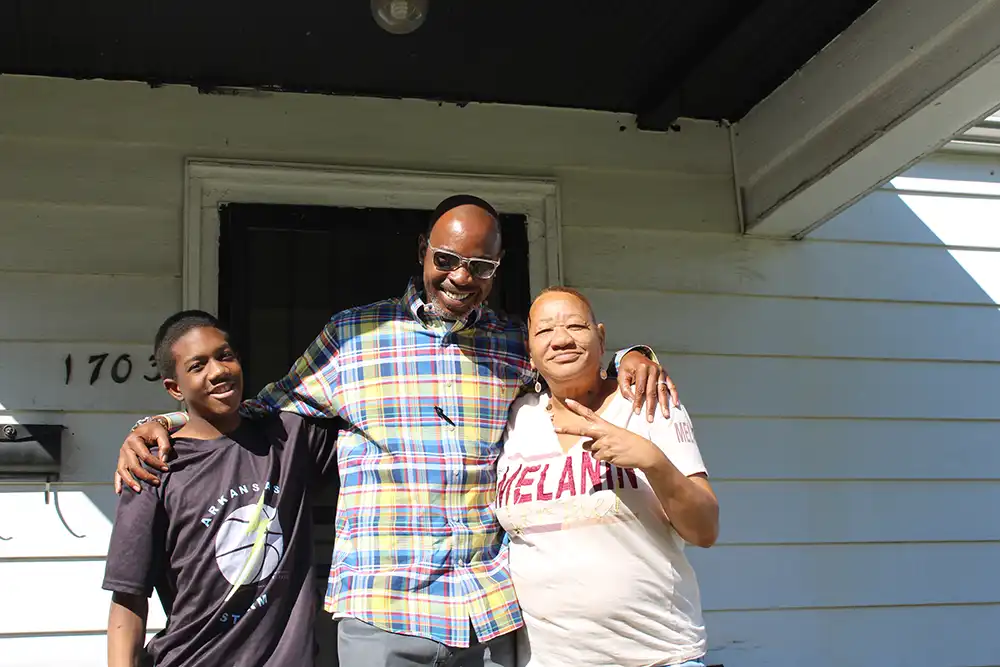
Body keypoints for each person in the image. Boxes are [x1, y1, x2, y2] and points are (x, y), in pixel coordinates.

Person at [114, 195, 680, 667]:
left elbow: (576, 368)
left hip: (489, 612)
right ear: (422, 253)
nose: (461, 277)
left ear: (498, 268)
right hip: (384, 610)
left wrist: (633, 354)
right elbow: (258, 411)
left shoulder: (514, 343)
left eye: (480, 266)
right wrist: (159, 422)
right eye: (446, 258)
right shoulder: (352, 335)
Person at [495, 286, 718, 667]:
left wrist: (653, 462)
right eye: (544, 331)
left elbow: (705, 530)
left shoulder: (647, 404)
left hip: (657, 656)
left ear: (600, 337)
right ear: (529, 351)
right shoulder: (515, 418)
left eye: (576, 326)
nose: (561, 339)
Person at [103, 311, 339, 667]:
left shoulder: (290, 438)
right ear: (174, 388)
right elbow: (129, 597)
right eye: (198, 366)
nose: (218, 371)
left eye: (225, 356)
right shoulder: (155, 467)